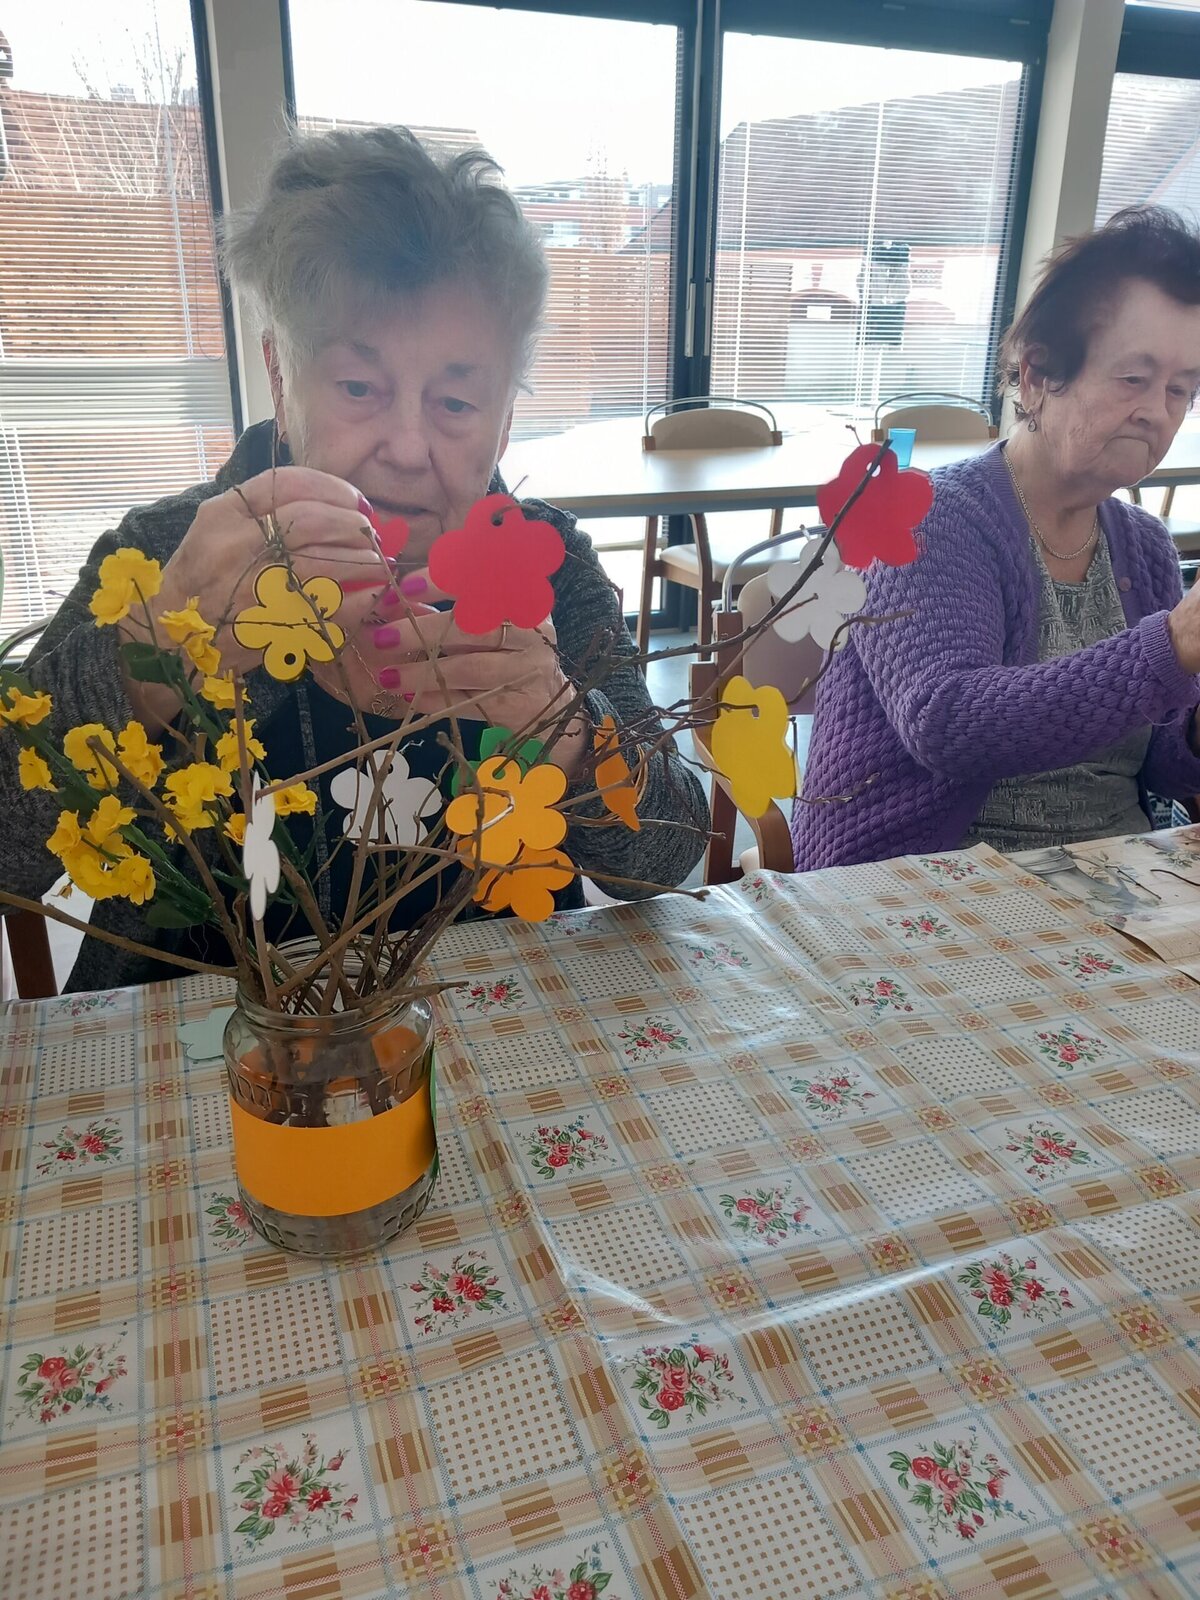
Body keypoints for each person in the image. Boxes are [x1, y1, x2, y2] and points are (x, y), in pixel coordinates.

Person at [1, 125, 707, 989]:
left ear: (505, 423)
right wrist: (147, 662)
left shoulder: (545, 568)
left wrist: (571, 731)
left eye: (456, 402)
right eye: (359, 387)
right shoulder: (162, 559)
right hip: (201, 1039)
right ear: (281, 377)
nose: (407, 448)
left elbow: (670, 855)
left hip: (489, 1031)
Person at [793, 206, 1200, 870]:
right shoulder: (931, 519)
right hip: (933, 877)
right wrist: (1170, 646)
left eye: (1181, 390)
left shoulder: (1147, 547)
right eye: (1134, 378)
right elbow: (947, 723)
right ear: (1037, 376)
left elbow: (1167, 768)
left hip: (1117, 876)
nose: (1157, 411)